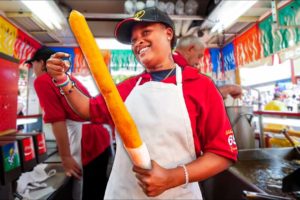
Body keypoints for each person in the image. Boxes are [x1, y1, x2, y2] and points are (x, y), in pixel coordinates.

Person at [46, 7, 237, 199]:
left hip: (177, 194)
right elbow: (86, 109)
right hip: (124, 193)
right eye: (133, 39)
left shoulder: (200, 85)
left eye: (146, 32)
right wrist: (62, 79)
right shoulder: (128, 87)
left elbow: (222, 153)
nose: (138, 42)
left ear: (168, 33)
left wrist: (172, 177)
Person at [26, 46, 111, 200]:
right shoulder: (67, 77)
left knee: (84, 190)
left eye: (34, 64)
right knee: (97, 188)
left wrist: (65, 157)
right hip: (100, 137)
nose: (33, 69)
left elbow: (56, 119)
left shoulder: (43, 80)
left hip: (87, 141)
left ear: (43, 63)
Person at [173, 35, 242, 100]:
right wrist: (229, 88)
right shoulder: (179, 67)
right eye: (199, 56)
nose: (198, 62)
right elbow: (202, 95)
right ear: (191, 49)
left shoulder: (171, 62)